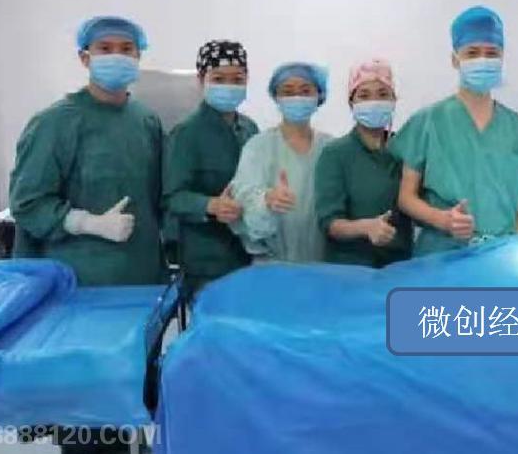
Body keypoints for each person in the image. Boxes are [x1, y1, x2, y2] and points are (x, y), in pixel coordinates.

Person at [9, 16, 164, 287]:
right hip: (78, 281)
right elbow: (27, 204)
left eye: (126, 49)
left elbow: (158, 197)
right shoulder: (54, 123)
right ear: (85, 58)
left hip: (143, 275)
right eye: (105, 48)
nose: (117, 56)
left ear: (138, 56)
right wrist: (86, 223)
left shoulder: (146, 120)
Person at [391, 5, 518, 256]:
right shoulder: (428, 122)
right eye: (472, 53)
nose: (483, 59)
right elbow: (406, 197)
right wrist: (442, 219)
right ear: (455, 59)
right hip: (442, 255)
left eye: (491, 53)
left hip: (502, 256)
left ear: (502, 58)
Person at [163, 40, 259, 297]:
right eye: (219, 79)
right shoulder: (187, 133)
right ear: (201, 79)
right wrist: (211, 205)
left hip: (247, 252)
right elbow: (172, 198)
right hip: (206, 259)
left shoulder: (249, 129)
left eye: (237, 79)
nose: (229, 86)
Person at [315, 59, 413, 267]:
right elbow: (329, 223)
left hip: (400, 267)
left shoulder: (405, 149)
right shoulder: (335, 154)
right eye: (364, 95)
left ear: (394, 100)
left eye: (383, 94)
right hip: (351, 268)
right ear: (351, 103)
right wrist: (365, 227)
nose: (374, 102)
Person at [231, 62, 332, 262]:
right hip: (271, 266)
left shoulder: (330, 148)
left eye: (305, 91)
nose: (297, 97)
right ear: (276, 97)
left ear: (319, 96)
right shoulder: (258, 147)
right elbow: (244, 202)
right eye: (288, 91)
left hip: (322, 266)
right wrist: (266, 201)